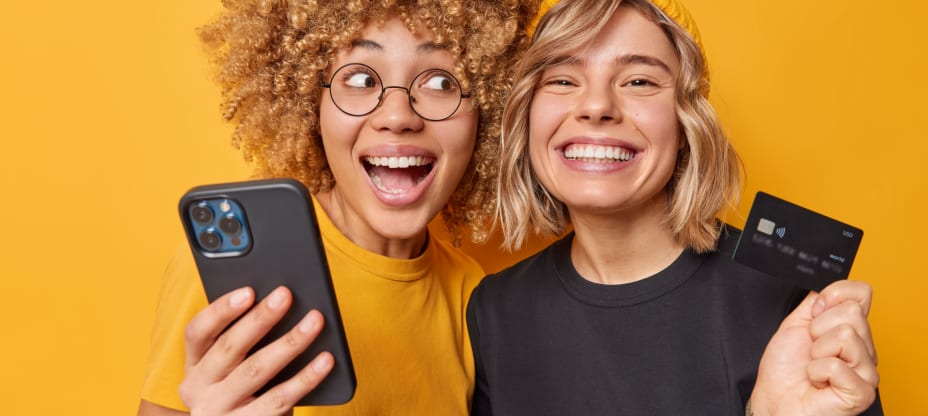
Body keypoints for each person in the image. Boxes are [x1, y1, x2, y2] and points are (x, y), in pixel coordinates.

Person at [466, 0, 882, 414]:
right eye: (561, 80)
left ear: (686, 123)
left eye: (639, 81)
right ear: (527, 115)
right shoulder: (495, 311)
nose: (596, 107)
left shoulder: (791, 300)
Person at [137, 1, 538, 415]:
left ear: (487, 111)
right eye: (361, 79)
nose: (398, 116)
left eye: (441, 83)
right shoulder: (228, 279)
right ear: (311, 102)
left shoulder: (472, 292)